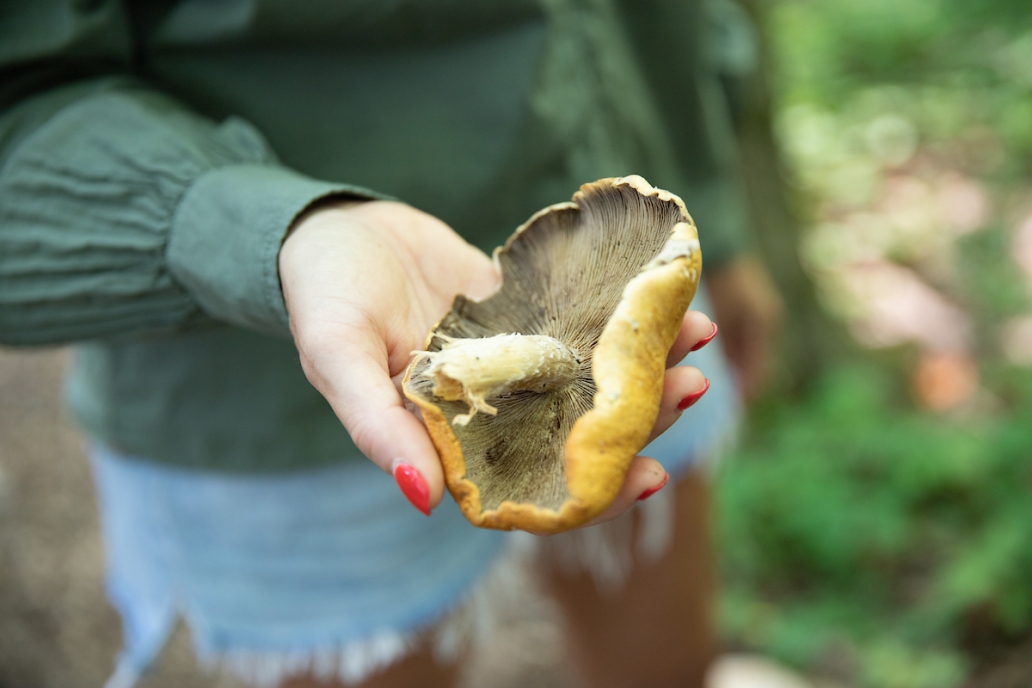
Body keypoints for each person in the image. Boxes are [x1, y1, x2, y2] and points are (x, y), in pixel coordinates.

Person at [0, 1, 782, 687]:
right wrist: (274, 232)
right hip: (271, 379)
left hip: (623, 274)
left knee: (669, 662)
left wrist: (718, 202)